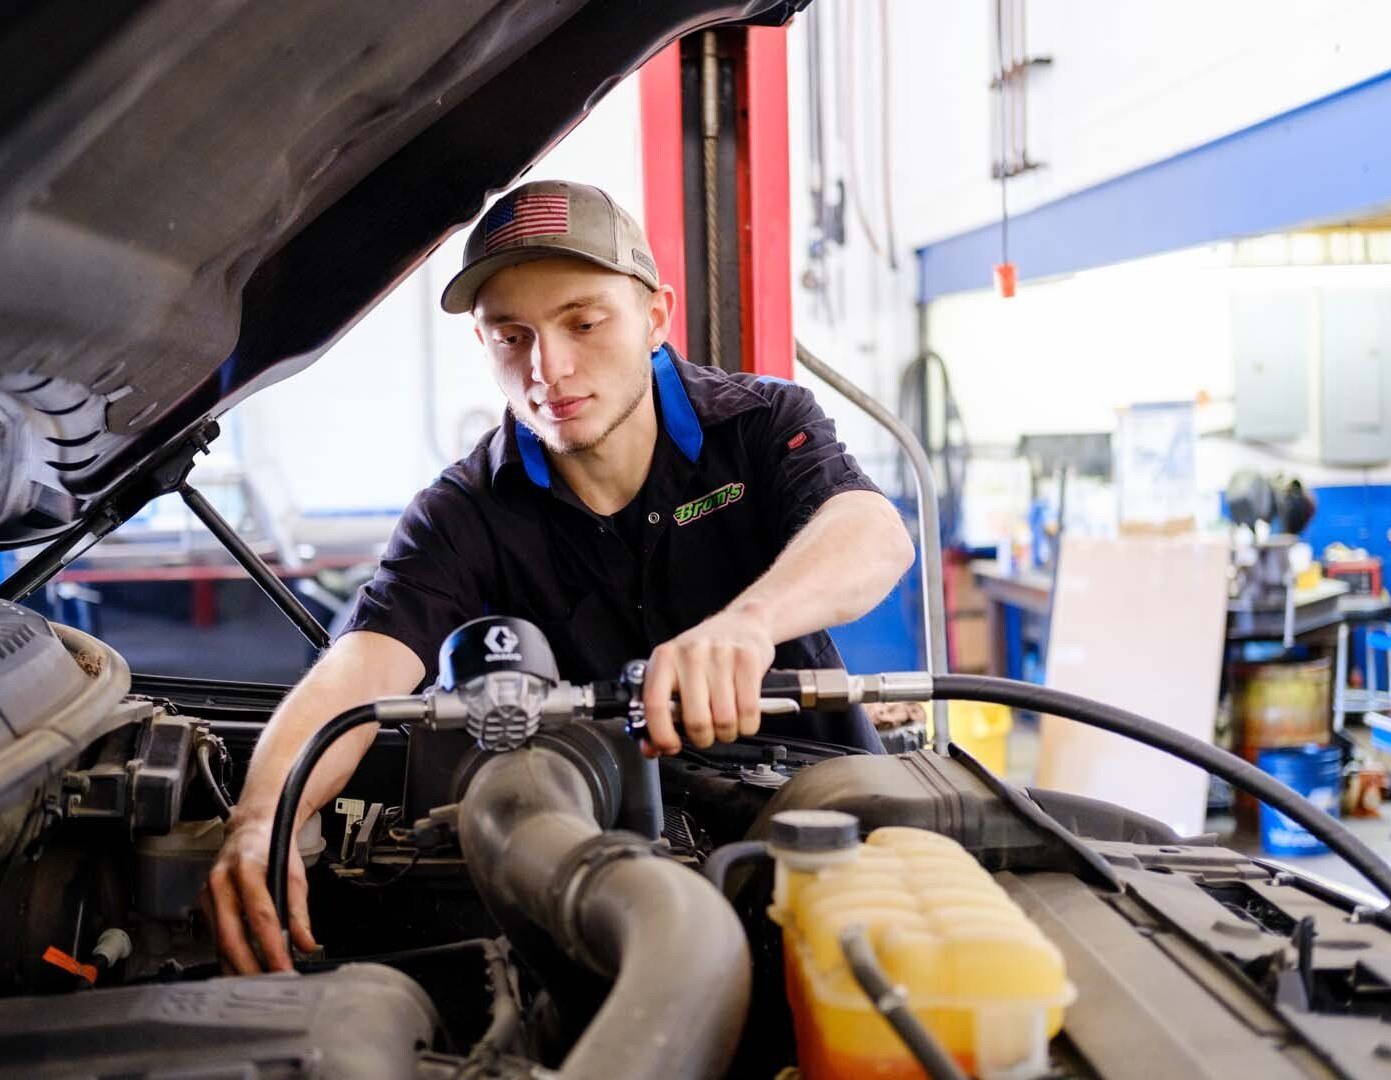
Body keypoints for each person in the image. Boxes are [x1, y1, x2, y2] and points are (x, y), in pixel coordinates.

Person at [204, 180, 915, 973]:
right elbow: (363, 666)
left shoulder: (760, 426)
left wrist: (748, 622)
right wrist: (262, 817)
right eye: (512, 335)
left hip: (826, 828)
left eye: (583, 321)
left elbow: (871, 532)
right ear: (484, 345)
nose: (549, 367)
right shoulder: (463, 512)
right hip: (597, 869)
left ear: (654, 318)